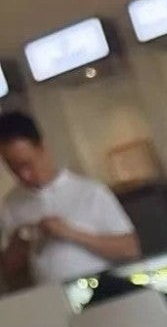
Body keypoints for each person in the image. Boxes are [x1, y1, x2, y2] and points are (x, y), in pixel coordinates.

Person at [0, 111, 141, 290]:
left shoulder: (90, 191)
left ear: (42, 148)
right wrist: (19, 243)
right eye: (14, 169)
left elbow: (130, 248)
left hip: (102, 291)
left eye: (27, 165)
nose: (23, 175)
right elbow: (9, 270)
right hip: (50, 298)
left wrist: (70, 233)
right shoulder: (11, 204)